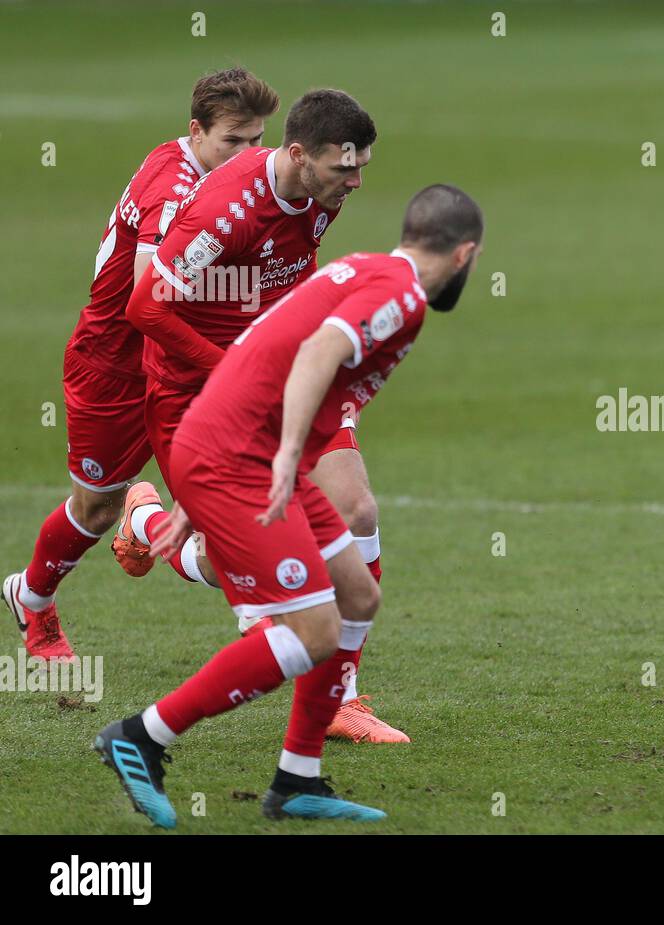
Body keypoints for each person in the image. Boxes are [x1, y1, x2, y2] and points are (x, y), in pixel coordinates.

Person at [94, 185, 483, 826]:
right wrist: (277, 453)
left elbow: (261, 349)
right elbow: (317, 353)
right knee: (313, 631)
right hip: (241, 457)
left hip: (232, 444)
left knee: (358, 597)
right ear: (465, 254)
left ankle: (297, 778)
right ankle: (141, 736)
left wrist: (207, 472)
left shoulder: (366, 267)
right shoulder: (403, 296)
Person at [3, 68, 277, 661]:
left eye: (257, 140)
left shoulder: (225, 172)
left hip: (184, 373)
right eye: (234, 141)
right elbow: (146, 301)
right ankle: (33, 597)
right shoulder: (173, 191)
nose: (248, 155)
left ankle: (282, 637)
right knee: (96, 506)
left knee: (230, 516)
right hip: (117, 366)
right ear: (196, 132)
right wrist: (231, 367)